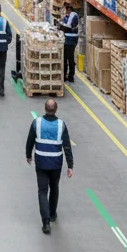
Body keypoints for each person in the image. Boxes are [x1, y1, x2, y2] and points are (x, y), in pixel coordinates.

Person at [26, 98, 74, 234]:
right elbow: (67, 147)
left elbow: (30, 141)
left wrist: (28, 155)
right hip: (56, 164)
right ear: (56, 109)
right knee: (54, 188)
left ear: (45, 109)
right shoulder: (61, 125)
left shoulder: (37, 123)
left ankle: (45, 222)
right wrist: (70, 165)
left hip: (41, 162)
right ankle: (52, 214)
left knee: (42, 191)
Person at [58, 0, 80, 83]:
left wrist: (61, 24)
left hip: (71, 40)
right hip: (67, 39)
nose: (65, 11)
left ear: (68, 9)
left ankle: (70, 76)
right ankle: (66, 76)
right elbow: (62, 23)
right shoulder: (67, 16)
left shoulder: (73, 15)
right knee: (66, 58)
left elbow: (69, 26)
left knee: (69, 58)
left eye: (65, 9)